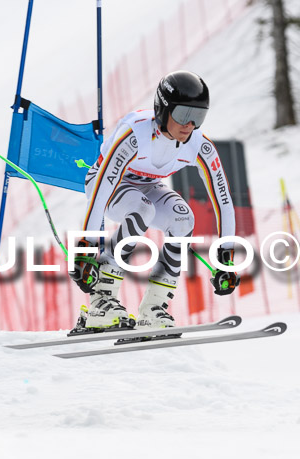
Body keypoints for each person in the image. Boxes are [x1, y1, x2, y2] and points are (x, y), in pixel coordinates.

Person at [69, 70, 240, 333]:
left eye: (198, 116)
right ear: (163, 109)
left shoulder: (198, 144)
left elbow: (223, 199)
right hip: (107, 183)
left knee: (183, 218)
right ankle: (101, 299)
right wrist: (86, 248)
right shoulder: (135, 133)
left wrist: (225, 257)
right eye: (184, 114)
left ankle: (154, 308)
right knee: (142, 210)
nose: (190, 125)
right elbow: (102, 189)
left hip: (147, 187)